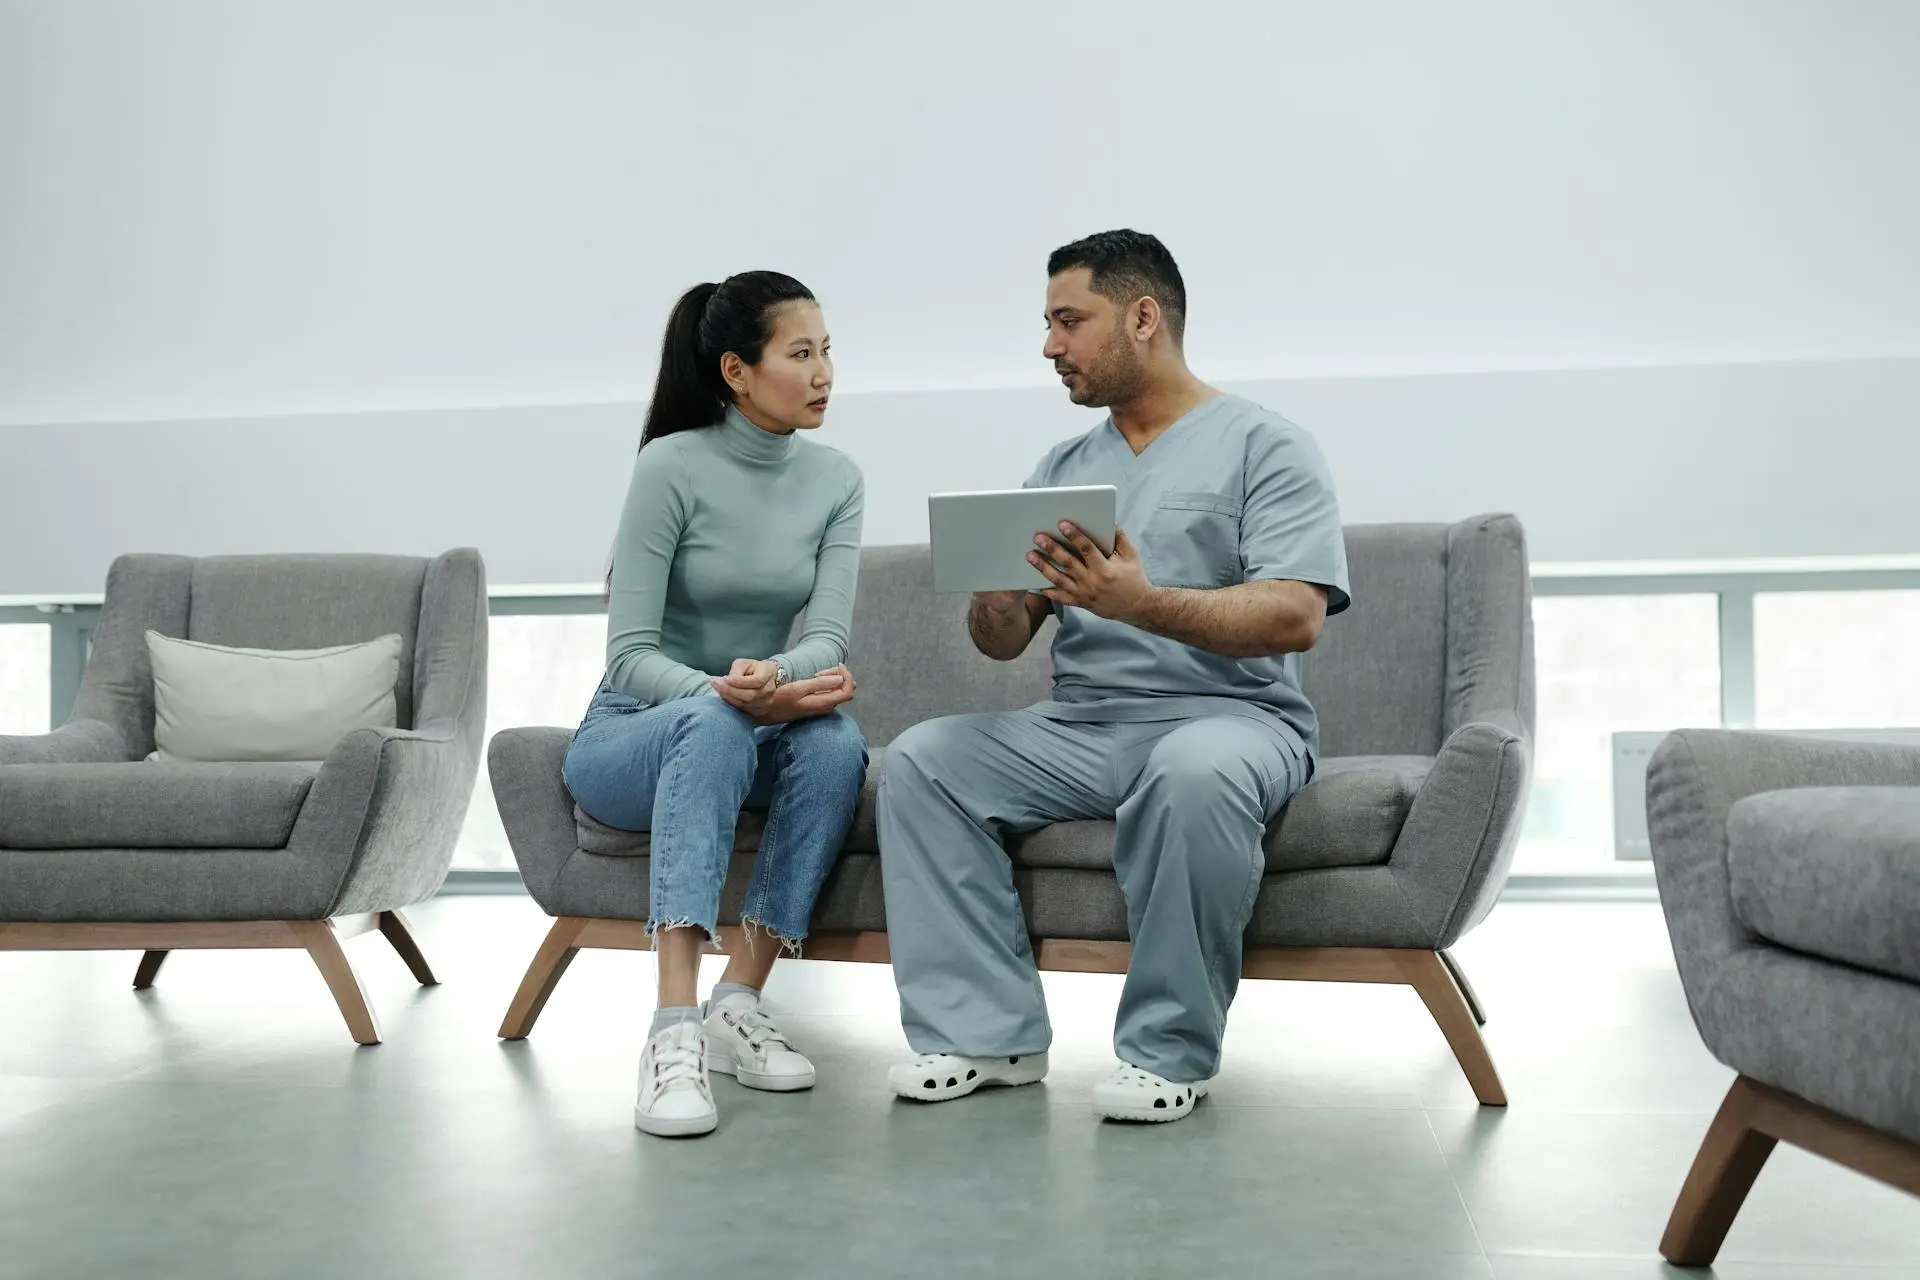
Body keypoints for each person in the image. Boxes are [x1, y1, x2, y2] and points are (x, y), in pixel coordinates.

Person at [878, 230, 1351, 1124]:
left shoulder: (1268, 446)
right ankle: (987, 1035)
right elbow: (1003, 641)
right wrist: (996, 603)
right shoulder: (1060, 471)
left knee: (1193, 771)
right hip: (1084, 725)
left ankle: (1166, 1053)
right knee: (922, 759)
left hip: (1234, 719)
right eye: (1048, 325)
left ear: (1143, 318)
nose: (1051, 346)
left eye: (1069, 321)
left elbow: (1296, 616)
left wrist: (1138, 602)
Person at [564, 271, 868, 1138]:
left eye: (827, 351)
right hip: (632, 734)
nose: (824, 374)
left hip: (750, 716)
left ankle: (738, 1000)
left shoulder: (836, 479)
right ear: (737, 371)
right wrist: (728, 696)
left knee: (837, 742)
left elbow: (826, 639)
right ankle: (672, 1031)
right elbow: (628, 657)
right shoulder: (669, 467)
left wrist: (778, 687)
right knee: (711, 719)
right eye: (800, 354)